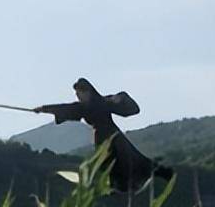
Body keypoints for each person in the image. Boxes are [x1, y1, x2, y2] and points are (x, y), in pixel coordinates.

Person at [34, 78, 173, 193]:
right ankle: (118, 186)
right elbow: (65, 108)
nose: (78, 96)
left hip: (111, 136)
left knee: (124, 160)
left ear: (87, 92)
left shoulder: (101, 102)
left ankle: (125, 184)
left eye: (80, 93)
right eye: (77, 94)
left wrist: (119, 98)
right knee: (112, 162)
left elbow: (121, 103)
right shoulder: (84, 106)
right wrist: (44, 109)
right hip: (102, 137)